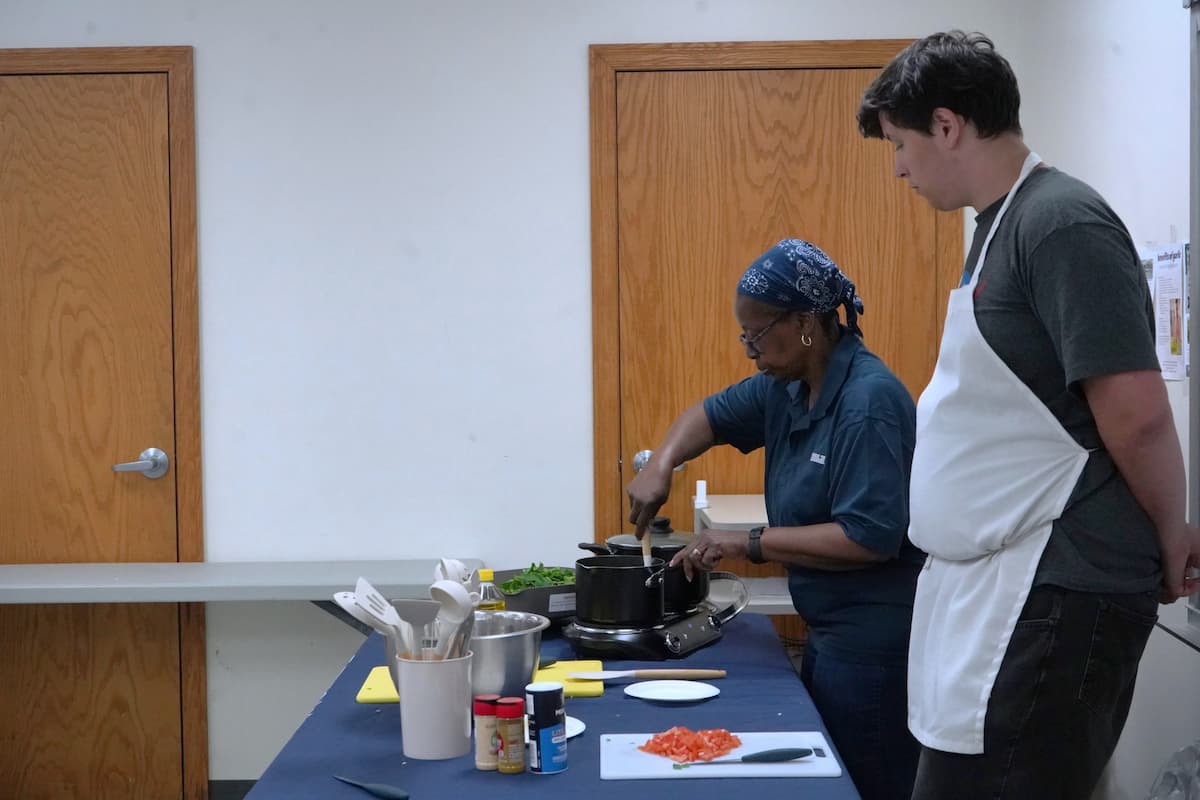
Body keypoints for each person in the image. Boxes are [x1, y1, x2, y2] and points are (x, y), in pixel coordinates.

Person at [857, 30, 1200, 799]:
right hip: (1003, 588)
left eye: (902, 144)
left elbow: (1137, 414)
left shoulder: (1061, 223)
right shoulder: (997, 228)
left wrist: (1173, 532)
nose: (900, 168)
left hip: (1055, 587)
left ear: (947, 125)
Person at [626, 238, 924, 800]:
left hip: (875, 645)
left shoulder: (868, 402)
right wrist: (662, 463)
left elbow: (868, 537)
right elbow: (708, 415)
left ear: (806, 323)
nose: (748, 350)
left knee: (866, 783)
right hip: (830, 632)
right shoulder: (785, 388)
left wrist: (748, 542)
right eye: (745, 335)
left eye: (757, 335)